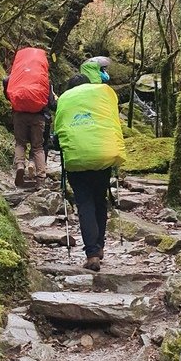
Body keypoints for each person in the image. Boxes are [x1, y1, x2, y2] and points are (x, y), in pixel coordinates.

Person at [54, 59, 126, 271]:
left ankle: (92, 253)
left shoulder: (65, 101)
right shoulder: (101, 97)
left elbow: (57, 139)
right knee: (100, 201)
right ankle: (100, 246)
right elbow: (113, 125)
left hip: (76, 161)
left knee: (84, 203)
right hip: (102, 157)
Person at [3, 47, 56, 188]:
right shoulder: (44, 80)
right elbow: (50, 103)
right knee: (38, 147)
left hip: (19, 114)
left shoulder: (14, 77)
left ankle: (20, 165)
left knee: (20, 143)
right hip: (38, 116)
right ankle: (40, 180)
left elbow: (8, 95)